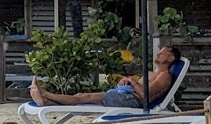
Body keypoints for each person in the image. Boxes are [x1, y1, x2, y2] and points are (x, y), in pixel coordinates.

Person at [29, 46, 183, 108]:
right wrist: (126, 82)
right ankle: (47, 103)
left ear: (170, 59)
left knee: (84, 97)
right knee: (82, 97)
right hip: (125, 95)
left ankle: (45, 94)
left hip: (132, 101)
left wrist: (132, 81)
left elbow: (145, 95)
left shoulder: (165, 76)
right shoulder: (151, 73)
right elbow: (138, 87)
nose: (158, 53)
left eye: (162, 53)